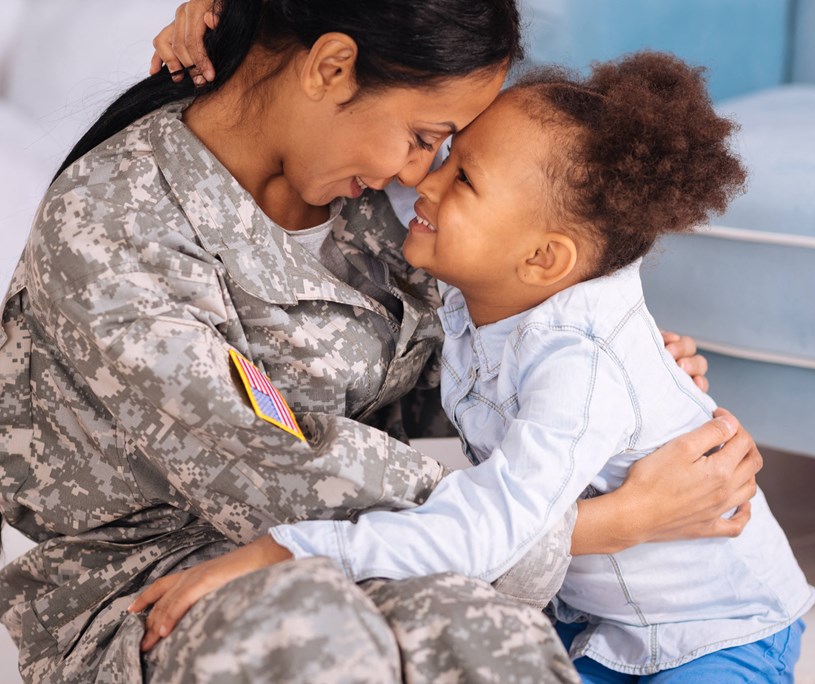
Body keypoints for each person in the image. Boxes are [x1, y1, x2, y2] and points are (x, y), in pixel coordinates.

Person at [0, 1, 762, 682]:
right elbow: (286, 467)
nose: (421, 172)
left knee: (486, 636)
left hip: (376, 552)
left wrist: (590, 385)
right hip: (155, 587)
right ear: (332, 66)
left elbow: (437, 372)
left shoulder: (368, 207)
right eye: (426, 137)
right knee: (312, 640)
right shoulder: (112, 228)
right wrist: (605, 524)